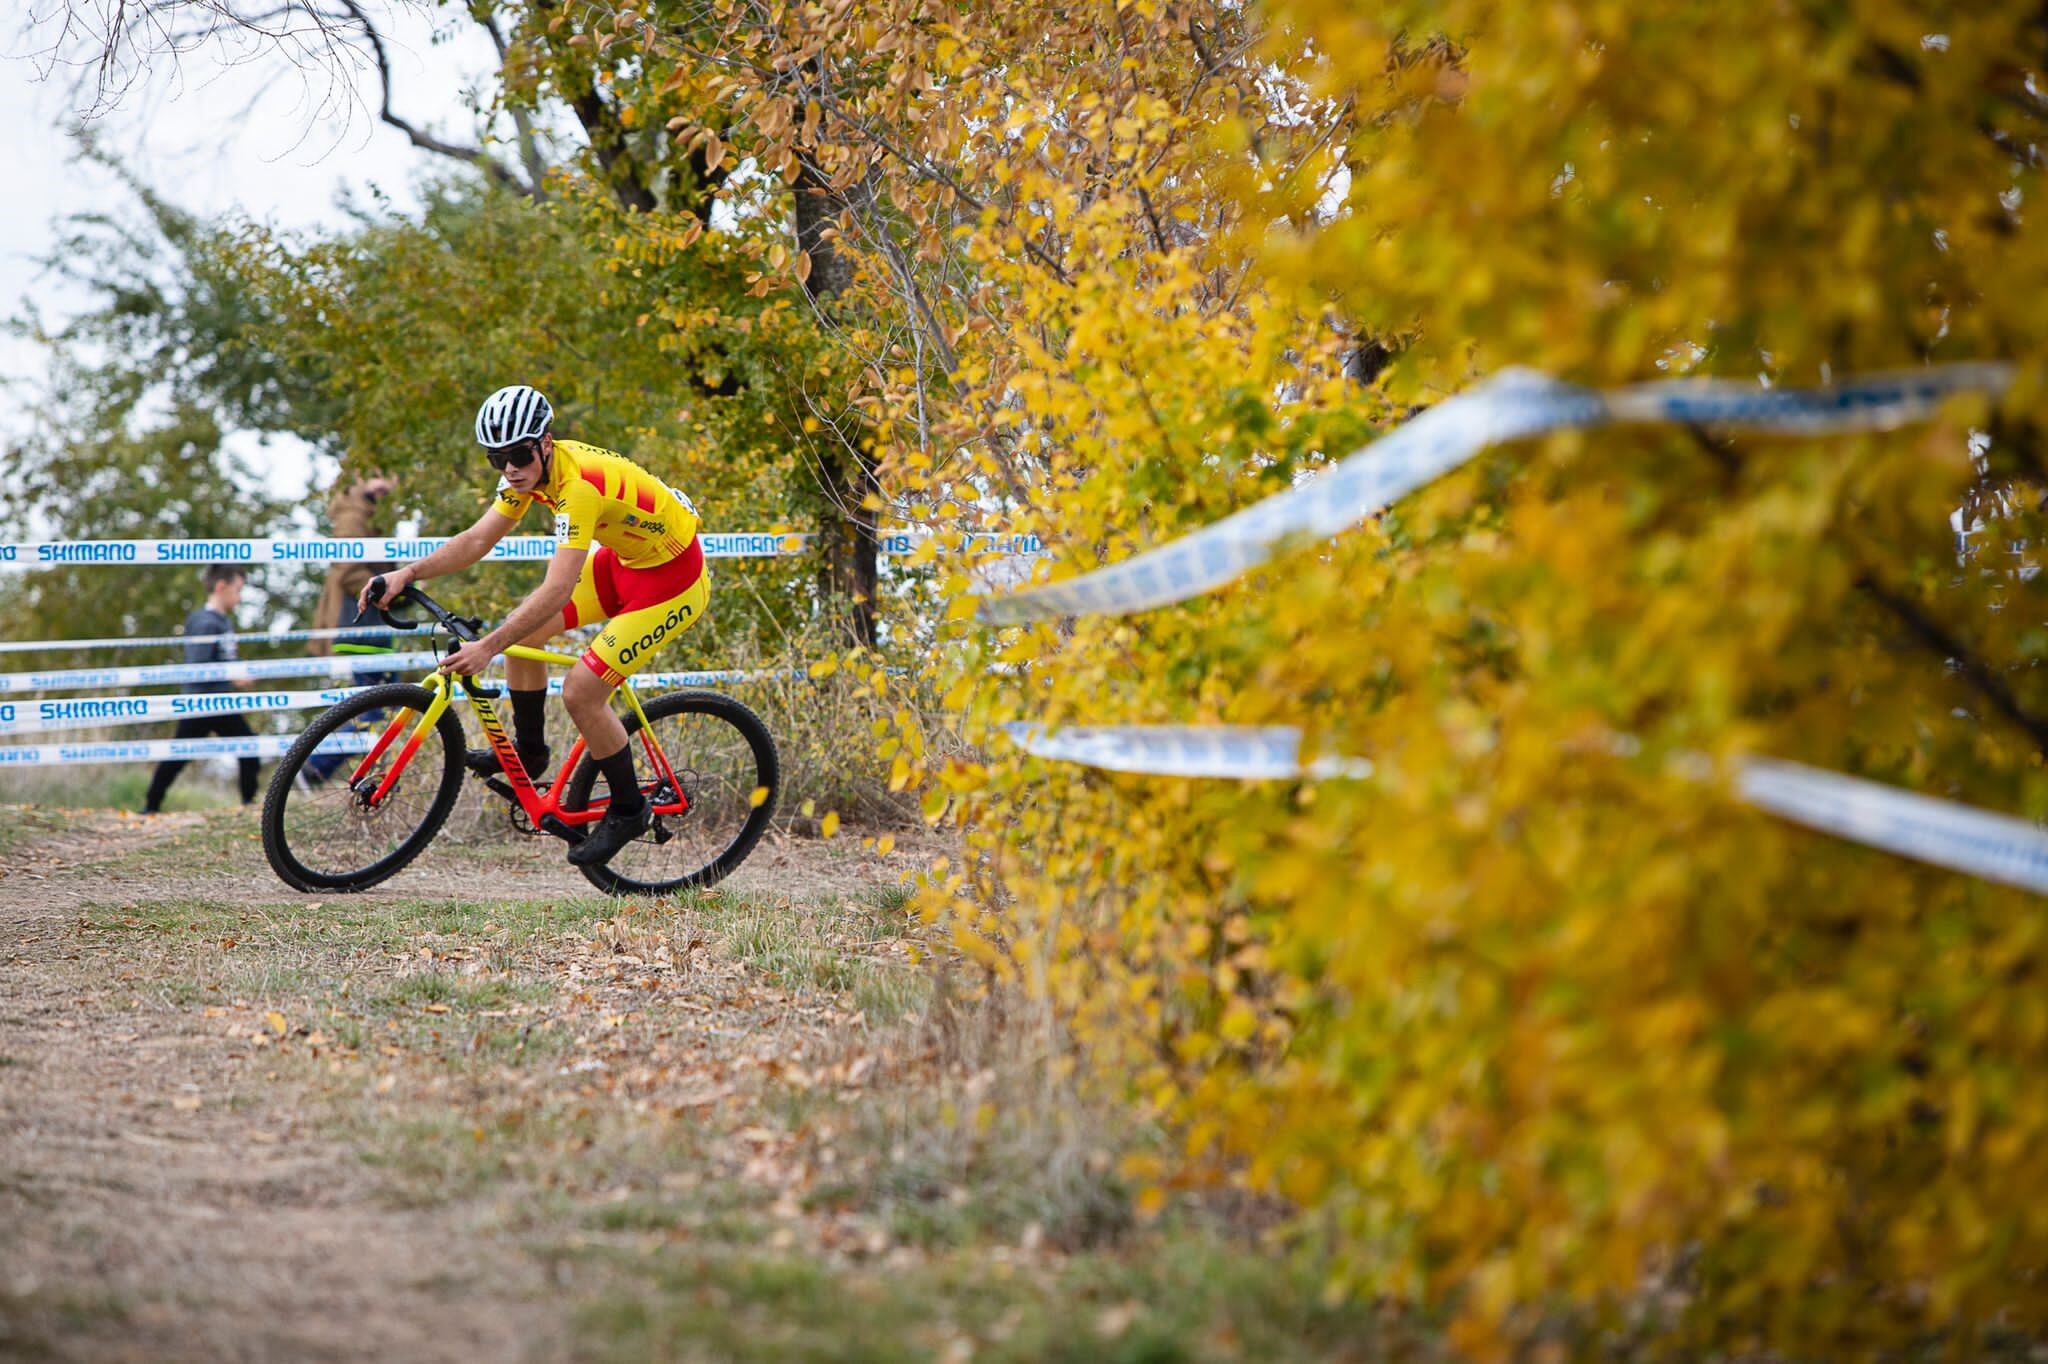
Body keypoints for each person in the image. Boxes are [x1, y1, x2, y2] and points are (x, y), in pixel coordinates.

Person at [359, 385, 708, 868]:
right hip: (626, 560)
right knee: (525, 636)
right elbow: (478, 538)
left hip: (672, 580)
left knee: (582, 691)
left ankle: (629, 810)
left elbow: (557, 590)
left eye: (519, 454)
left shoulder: (578, 488)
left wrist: (487, 647)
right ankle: (530, 752)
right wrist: (408, 572)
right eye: (496, 458)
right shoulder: (528, 476)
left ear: (546, 442)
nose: (510, 468)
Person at [142, 564, 261, 814]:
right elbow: (199, 665)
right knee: (179, 755)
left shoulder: (224, 621)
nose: (239, 597)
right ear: (221, 587)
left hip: (222, 702)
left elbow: (223, 659)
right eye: (237, 590)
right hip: (202, 703)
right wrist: (234, 676)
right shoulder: (204, 622)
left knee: (249, 746)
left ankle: (249, 804)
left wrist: (237, 674)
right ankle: (150, 805)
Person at [308, 474, 398, 656]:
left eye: (386, 476)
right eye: (373, 476)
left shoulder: (377, 513)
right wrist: (393, 588)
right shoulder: (352, 515)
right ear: (358, 477)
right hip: (351, 626)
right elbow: (348, 572)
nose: (381, 483)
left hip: (368, 627)